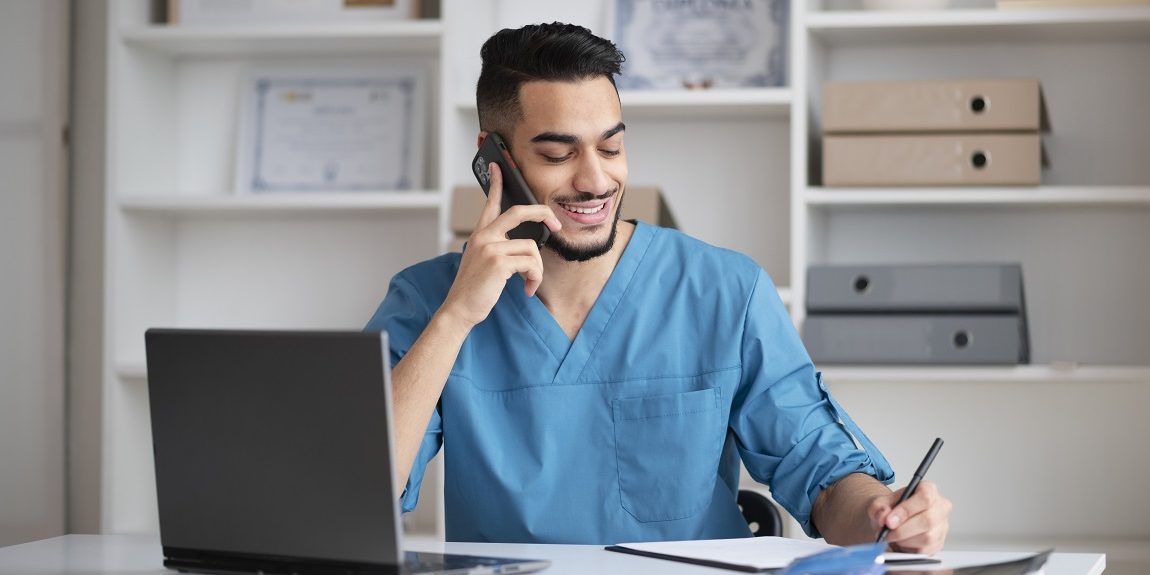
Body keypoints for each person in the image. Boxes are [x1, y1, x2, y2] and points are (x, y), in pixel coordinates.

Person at [366, 22, 952, 551]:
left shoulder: (725, 292)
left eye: (611, 147)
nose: (596, 180)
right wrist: (455, 319)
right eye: (557, 154)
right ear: (494, 159)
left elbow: (823, 475)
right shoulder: (428, 301)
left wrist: (881, 515)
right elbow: (361, 497)